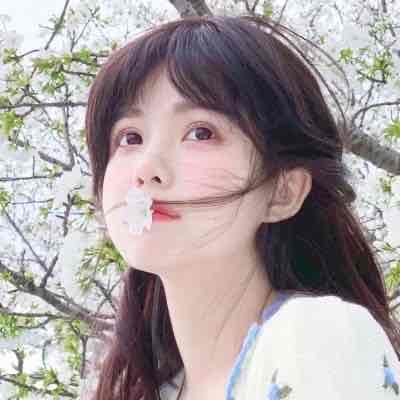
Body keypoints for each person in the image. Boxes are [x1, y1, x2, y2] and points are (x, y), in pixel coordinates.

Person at [84, 13, 400, 400]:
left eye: (201, 133)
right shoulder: (152, 389)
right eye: (130, 138)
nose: (147, 169)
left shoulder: (317, 340)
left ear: (283, 191)